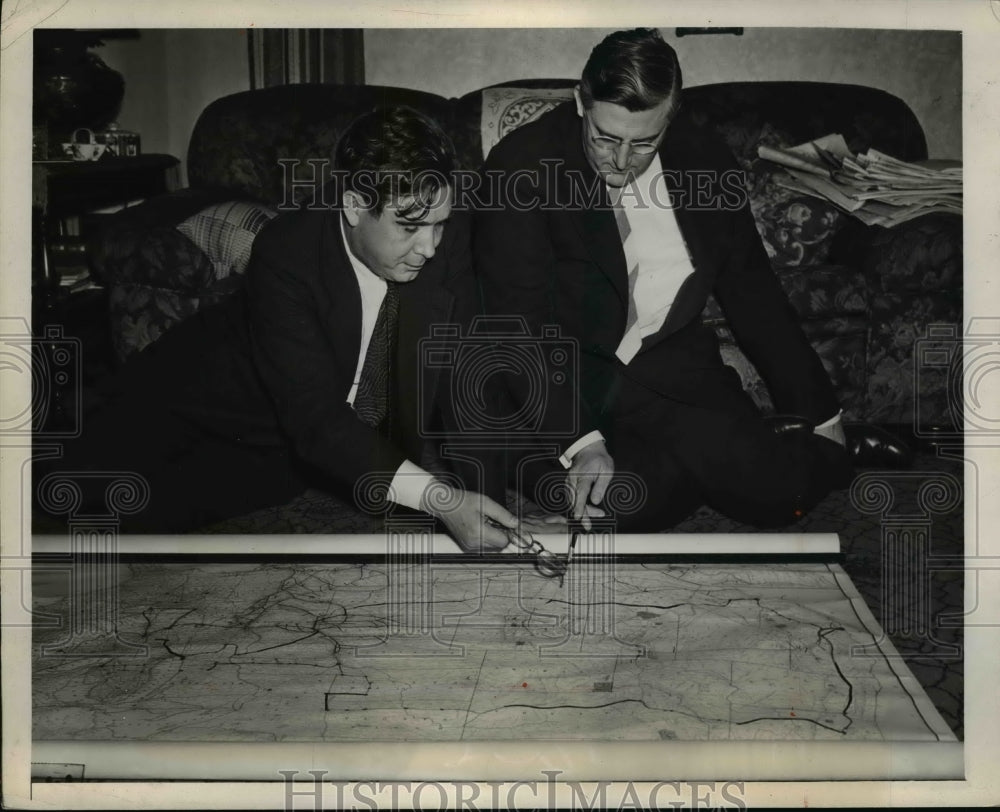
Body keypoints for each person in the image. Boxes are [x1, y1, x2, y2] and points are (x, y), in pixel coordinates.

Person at [39, 106, 517, 551]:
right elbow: (317, 419)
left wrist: (494, 506)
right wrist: (443, 501)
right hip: (190, 400)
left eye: (439, 223)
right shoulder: (287, 252)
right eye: (410, 226)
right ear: (353, 206)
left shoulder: (444, 239)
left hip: (282, 449)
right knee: (68, 495)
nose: (429, 247)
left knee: (181, 525)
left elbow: (468, 374)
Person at [474, 28, 864, 531]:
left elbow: (755, 296)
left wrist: (823, 416)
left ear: (671, 116)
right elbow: (517, 328)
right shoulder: (518, 168)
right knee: (632, 503)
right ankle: (714, 459)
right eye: (606, 137)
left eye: (644, 143)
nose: (620, 160)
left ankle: (806, 445)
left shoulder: (707, 161)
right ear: (580, 102)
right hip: (562, 379)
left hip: (673, 374)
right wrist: (583, 444)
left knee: (775, 497)